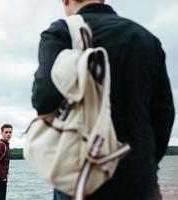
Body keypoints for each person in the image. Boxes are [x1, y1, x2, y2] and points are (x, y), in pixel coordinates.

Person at [32, 0, 175, 200]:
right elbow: (164, 113)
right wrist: (146, 162)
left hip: (83, 175)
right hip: (140, 177)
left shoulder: (63, 32)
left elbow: (44, 100)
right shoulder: (147, 38)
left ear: (65, 0)